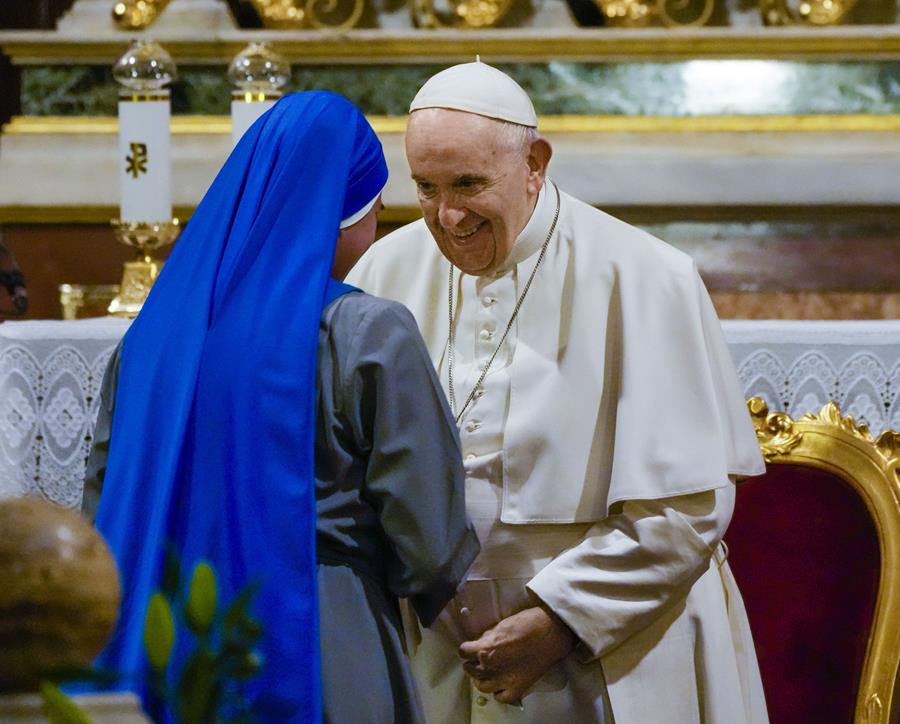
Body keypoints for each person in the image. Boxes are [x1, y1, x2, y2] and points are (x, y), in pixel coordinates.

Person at [346, 62, 769, 723]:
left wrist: (560, 620)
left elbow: (685, 510)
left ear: (535, 163)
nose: (446, 216)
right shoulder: (385, 271)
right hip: (440, 651)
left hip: (615, 646)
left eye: (468, 184)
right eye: (425, 188)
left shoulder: (644, 277)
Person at [83, 91, 479, 723]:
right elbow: (428, 540)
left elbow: (102, 499)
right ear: (345, 213)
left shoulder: (152, 342)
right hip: (325, 634)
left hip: (167, 634)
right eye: (377, 208)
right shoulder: (365, 330)